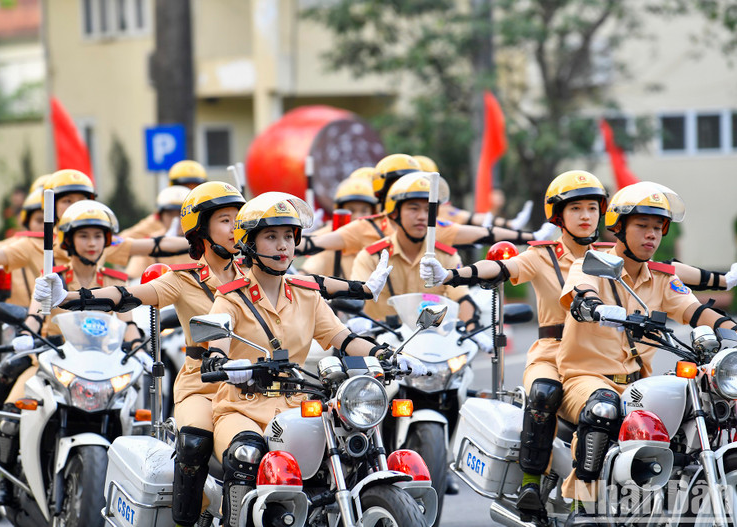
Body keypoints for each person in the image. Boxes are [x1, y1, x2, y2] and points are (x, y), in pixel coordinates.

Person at [33, 182, 393, 526]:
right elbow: (129, 295)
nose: (235, 228)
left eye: (239, 220)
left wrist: (366, 292)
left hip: (276, 384)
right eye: (225, 221)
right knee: (195, 441)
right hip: (207, 381)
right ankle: (185, 520)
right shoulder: (184, 277)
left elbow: (315, 290)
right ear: (200, 231)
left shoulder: (260, 269)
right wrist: (68, 297)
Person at [419, 171, 737, 519]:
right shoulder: (561, 261)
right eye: (576, 209)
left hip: (626, 367)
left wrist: (723, 287)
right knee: (549, 393)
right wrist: (450, 276)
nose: (585, 216)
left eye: (591, 208)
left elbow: (680, 283)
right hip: (569, 357)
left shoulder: (618, 259)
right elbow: (504, 269)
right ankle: (546, 488)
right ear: (559, 215)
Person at [205, 192, 424, 527]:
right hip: (242, 407)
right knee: (246, 454)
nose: (283, 247)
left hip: (297, 405)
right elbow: (217, 342)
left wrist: (388, 354)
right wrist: (222, 362)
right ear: (248, 243)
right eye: (271, 236)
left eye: (288, 237)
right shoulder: (231, 297)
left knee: (350, 445)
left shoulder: (306, 294)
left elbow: (344, 339)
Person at [555, 182, 737, 524]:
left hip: (638, 384)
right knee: (604, 408)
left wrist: (731, 331)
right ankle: (584, 507)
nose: (651, 235)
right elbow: (581, 291)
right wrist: (592, 306)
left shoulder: (663, 278)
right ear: (619, 227)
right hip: (584, 379)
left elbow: (696, 311)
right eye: (642, 226)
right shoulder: (592, 264)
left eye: (657, 228)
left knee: (706, 405)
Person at [0, 200, 142, 506]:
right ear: (69, 241)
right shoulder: (52, 278)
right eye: (84, 235)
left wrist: (140, 345)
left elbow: (127, 324)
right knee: (9, 418)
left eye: (98, 236)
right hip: (50, 360)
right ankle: (5, 481)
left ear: (106, 240)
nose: (91, 243)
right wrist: (24, 334)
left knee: (139, 419)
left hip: (104, 367)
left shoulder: (116, 279)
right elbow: (35, 315)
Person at [297, 153, 556, 258]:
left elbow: (481, 232)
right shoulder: (364, 227)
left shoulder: (431, 225)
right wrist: (289, 238)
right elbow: (315, 244)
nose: (419, 215)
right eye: (410, 205)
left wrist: (530, 236)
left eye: (421, 203)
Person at [0, 169, 190, 278]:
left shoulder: (102, 241)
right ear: (49, 206)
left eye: (82, 200)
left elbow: (154, 245)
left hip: (98, 342)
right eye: (67, 201)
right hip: (46, 344)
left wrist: (203, 240)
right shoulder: (32, 244)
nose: (75, 206)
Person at [351, 171, 476, 327]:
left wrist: (472, 327)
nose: (422, 216)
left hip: (432, 344)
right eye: (414, 208)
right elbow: (355, 302)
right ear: (395, 213)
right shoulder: (371, 257)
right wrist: (360, 323)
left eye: (428, 210)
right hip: (381, 345)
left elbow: (462, 299)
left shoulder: (446, 256)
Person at [300, 175, 379, 278]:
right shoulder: (328, 240)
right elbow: (308, 271)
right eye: (351, 210)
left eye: (364, 210)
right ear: (338, 211)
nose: (358, 217)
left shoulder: (379, 239)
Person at [125, 185, 194, 277]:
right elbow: (133, 277)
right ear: (160, 217)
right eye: (170, 214)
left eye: (181, 214)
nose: (176, 220)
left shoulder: (202, 241)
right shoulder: (150, 241)